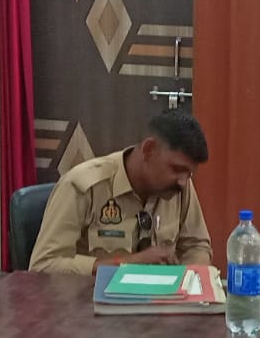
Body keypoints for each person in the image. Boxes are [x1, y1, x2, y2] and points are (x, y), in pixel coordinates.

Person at [29, 111, 212, 275]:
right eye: (176, 169)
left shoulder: (180, 187)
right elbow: (43, 265)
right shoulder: (82, 186)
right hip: (90, 299)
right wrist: (126, 264)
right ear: (149, 150)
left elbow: (197, 246)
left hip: (162, 299)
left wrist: (190, 279)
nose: (183, 181)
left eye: (189, 173)